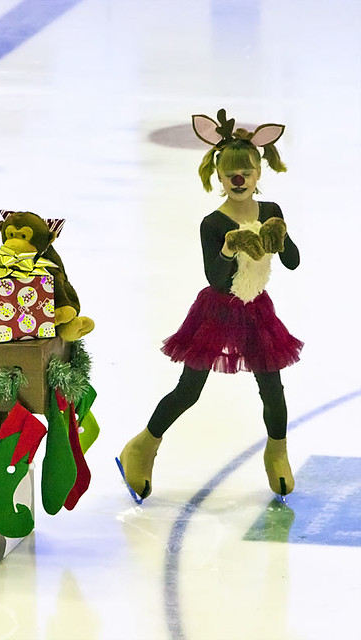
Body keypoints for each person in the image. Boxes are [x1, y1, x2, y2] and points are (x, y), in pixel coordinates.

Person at [116, 109, 303, 503]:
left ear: (257, 175)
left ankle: (277, 452)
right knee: (189, 391)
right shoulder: (212, 223)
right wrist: (230, 246)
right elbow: (216, 278)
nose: (239, 179)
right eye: (231, 173)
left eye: (246, 172)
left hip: (257, 311)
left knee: (272, 387)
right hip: (217, 312)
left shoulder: (271, 213)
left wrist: (281, 238)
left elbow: (292, 261)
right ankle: (142, 446)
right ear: (219, 177)